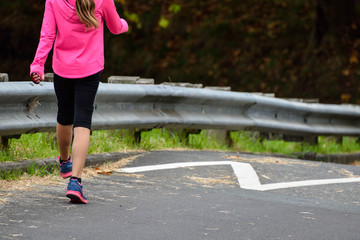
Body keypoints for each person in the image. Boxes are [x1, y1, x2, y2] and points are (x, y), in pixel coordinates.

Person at [30, 0, 128, 204]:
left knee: (64, 116)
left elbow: (47, 35)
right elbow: (116, 27)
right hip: (90, 69)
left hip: (62, 69)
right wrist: (125, 23)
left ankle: (65, 161)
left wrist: (38, 65)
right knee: (83, 122)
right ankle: (75, 182)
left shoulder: (54, 1)